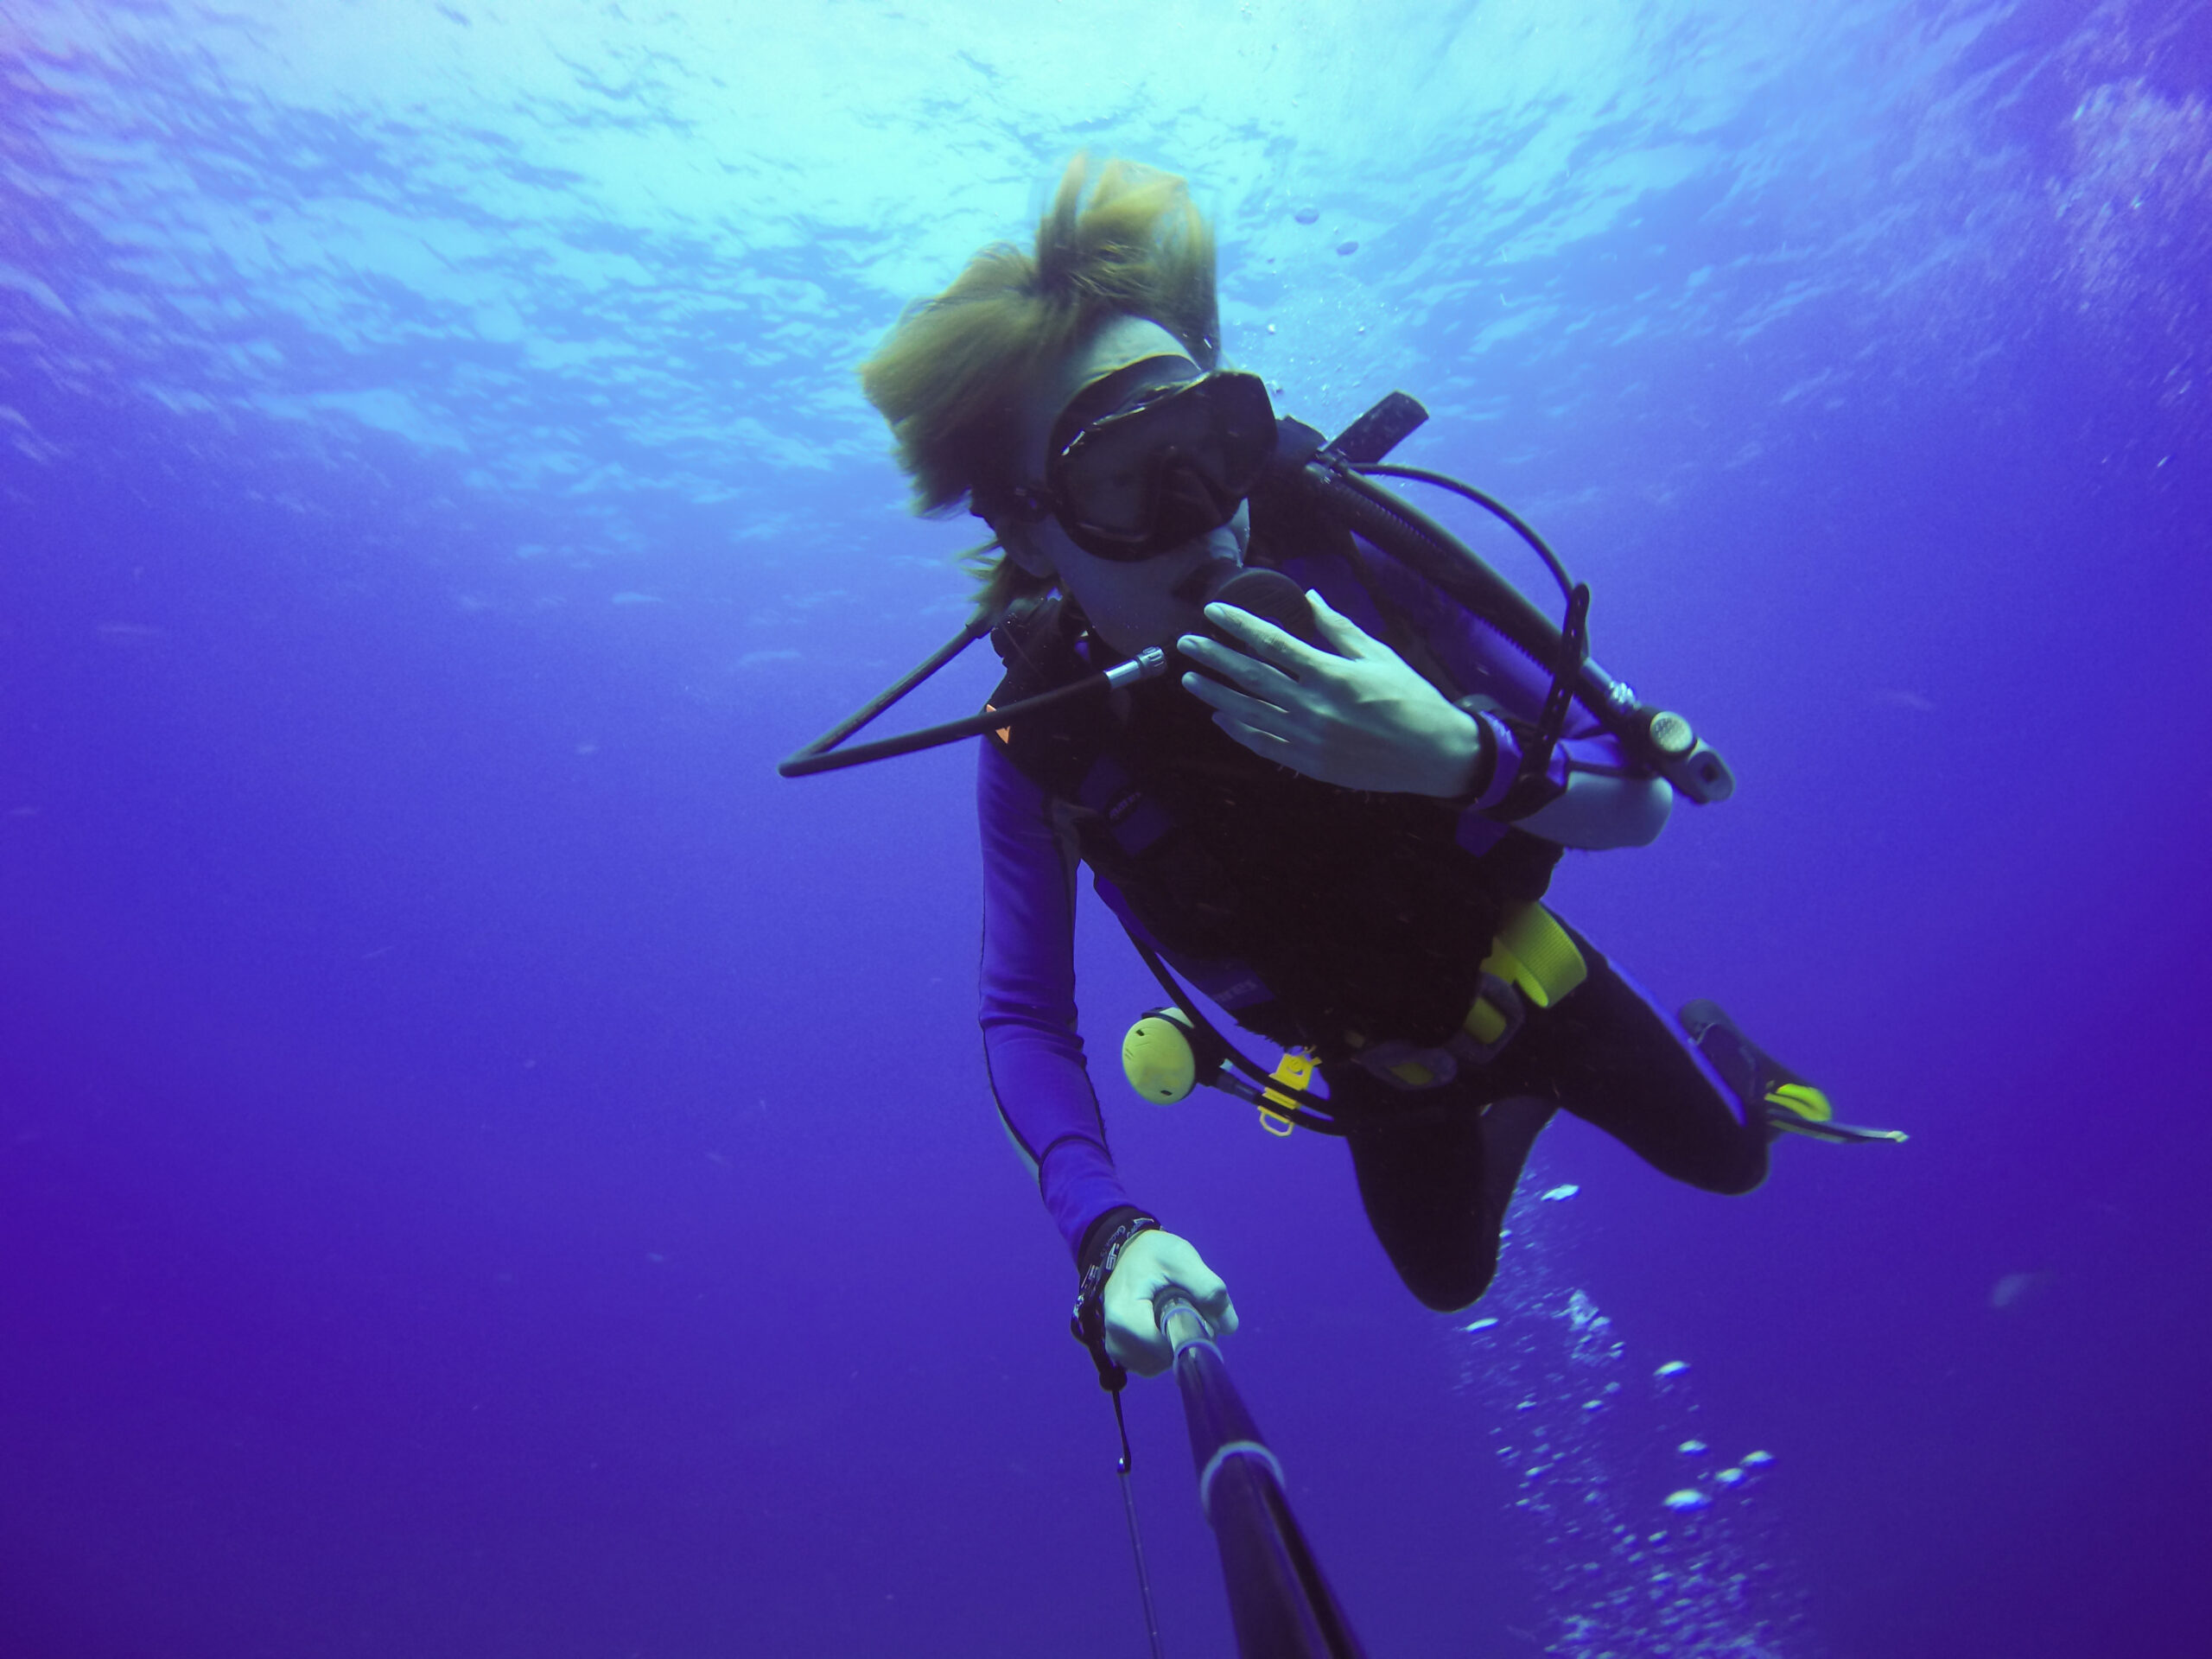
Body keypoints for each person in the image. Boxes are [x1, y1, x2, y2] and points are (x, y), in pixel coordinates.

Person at [857, 156, 1862, 1383]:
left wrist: (1456, 755)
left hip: (1531, 977)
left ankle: (1720, 1050)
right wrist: (1107, 1232)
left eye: (1214, 447)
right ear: (1025, 525)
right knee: (1450, 1282)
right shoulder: (1046, 740)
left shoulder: (1358, 556)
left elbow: (1640, 793)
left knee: (1736, 1159)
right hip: (1370, 1068)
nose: (1205, 516)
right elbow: (1024, 1012)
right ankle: (1511, 1106)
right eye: (1126, 476)